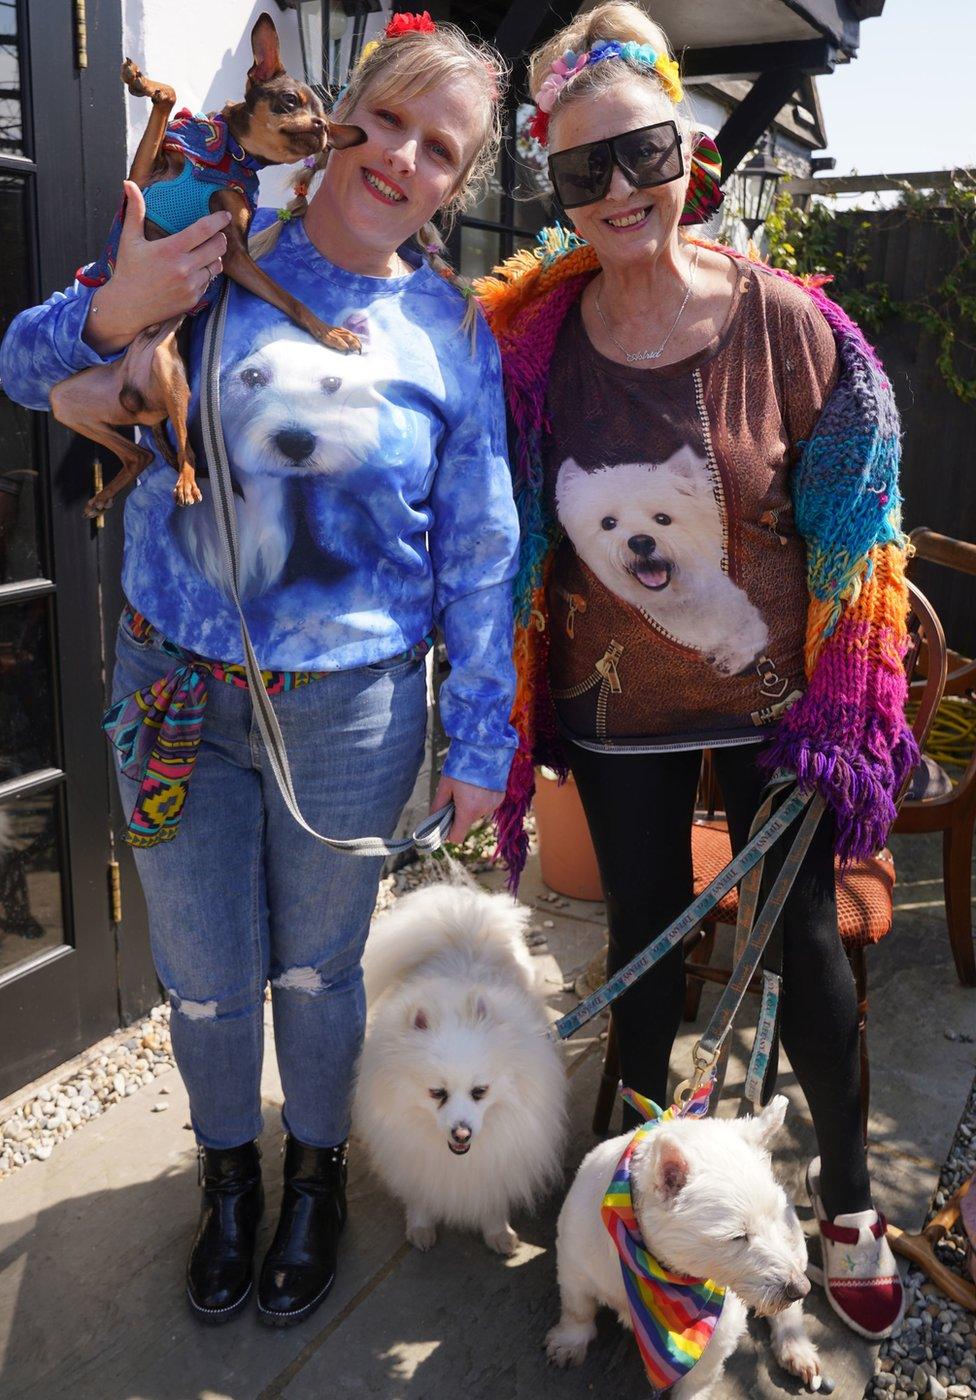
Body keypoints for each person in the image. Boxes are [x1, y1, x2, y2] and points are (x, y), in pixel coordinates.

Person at [0, 15, 518, 1328]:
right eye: (389, 119)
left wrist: (476, 740)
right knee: (205, 971)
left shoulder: (453, 331)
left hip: (354, 711)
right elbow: (26, 364)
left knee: (321, 972)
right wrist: (122, 307)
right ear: (343, 117)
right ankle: (230, 1178)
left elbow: (479, 543)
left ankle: (316, 1181)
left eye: (439, 148)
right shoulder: (215, 250)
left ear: (458, 182)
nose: (401, 158)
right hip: (174, 689)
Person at [479, 2, 916, 1343]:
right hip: (622, 718)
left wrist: (846, 710)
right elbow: (492, 523)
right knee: (648, 958)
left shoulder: (788, 326)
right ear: (554, 182)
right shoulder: (531, 345)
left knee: (811, 958)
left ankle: (844, 1200)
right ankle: (636, 1203)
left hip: (783, 712)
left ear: (691, 152)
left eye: (644, 153)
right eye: (581, 170)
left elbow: (861, 528)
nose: (620, 190)